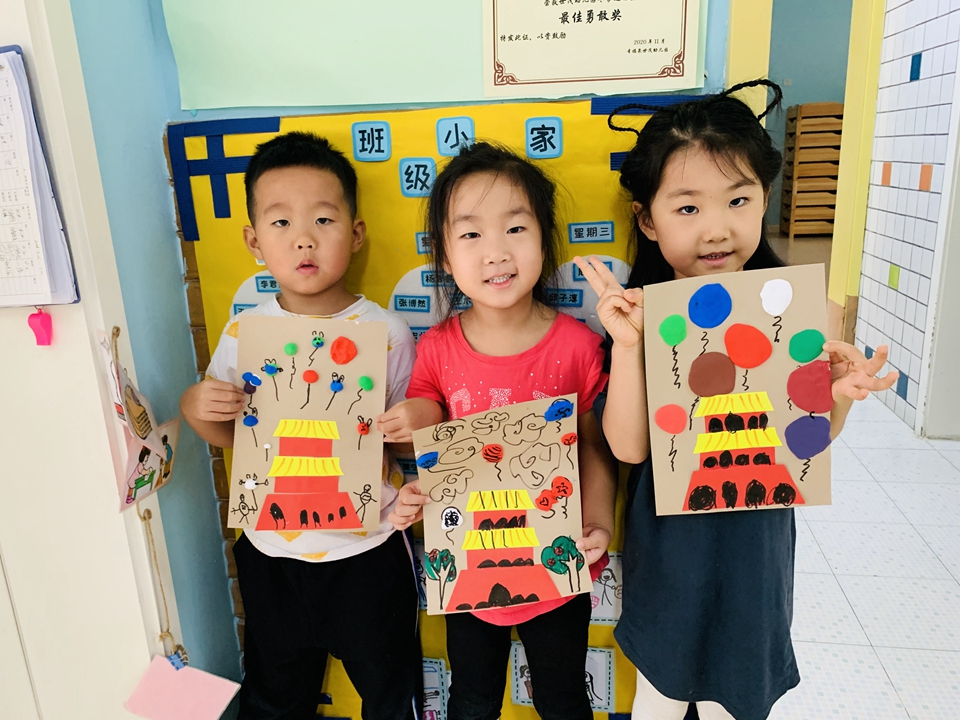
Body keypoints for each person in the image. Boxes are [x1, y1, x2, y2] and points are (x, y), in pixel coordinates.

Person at [574, 80, 899, 720]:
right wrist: (630, 348)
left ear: (764, 200)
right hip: (669, 555)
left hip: (757, 556)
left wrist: (840, 396)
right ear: (647, 219)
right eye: (687, 208)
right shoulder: (641, 317)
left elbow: (808, 441)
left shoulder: (795, 314)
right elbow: (630, 448)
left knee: (739, 694)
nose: (717, 228)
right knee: (661, 695)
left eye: (738, 199)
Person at [179, 132, 421, 720]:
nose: (303, 238)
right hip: (271, 552)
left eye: (323, 219)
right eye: (281, 222)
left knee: (390, 695)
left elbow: (407, 444)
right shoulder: (244, 334)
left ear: (355, 233)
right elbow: (231, 434)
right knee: (274, 697)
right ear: (254, 241)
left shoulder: (387, 333)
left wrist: (409, 425)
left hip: (368, 548)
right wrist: (194, 405)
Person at [381, 142, 618, 720]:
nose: (496, 253)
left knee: (564, 699)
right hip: (468, 565)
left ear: (544, 239)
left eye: (515, 228)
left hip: (556, 561)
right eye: (471, 234)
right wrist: (412, 461)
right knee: (472, 700)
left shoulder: (579, 346)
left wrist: (600, 521)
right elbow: (426, 430)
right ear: (444, 255)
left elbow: (594, 445)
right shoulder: (438, 348)